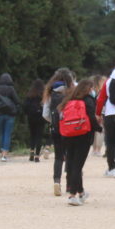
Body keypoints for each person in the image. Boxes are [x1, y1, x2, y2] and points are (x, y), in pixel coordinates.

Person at [58, 76, 101, 205]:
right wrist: (99, 128)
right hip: (83, 135)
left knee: (71, 163)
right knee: (78, 165)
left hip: (68, 134)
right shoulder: (88, 100)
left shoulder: (69, 99)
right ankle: (72, 195)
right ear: (88, 89)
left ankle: (81, 192)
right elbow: (92, 119)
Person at [42, 68, 74, 196]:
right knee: (70, 156)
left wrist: (53, 122)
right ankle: (69, 184)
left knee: (58, 157)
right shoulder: (72, 92)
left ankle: (57, 181)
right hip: (70, 129)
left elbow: (45, 114)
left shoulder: (50, 93)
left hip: (56, 128)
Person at [0, 72, 20, 161]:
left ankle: (2, 151)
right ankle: (4, 155)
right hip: (10, 114)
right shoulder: (11, 89)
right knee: (7, 133)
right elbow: (17, 101)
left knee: (1, 133)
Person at [24, 78, 45, 162]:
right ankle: (37, 156)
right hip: (41, 117)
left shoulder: (30, 94)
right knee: (39, 136)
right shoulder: (43, 95)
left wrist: (27, 114)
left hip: (31, 117)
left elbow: (25, 106)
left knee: (32, 135)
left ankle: (31, 152)